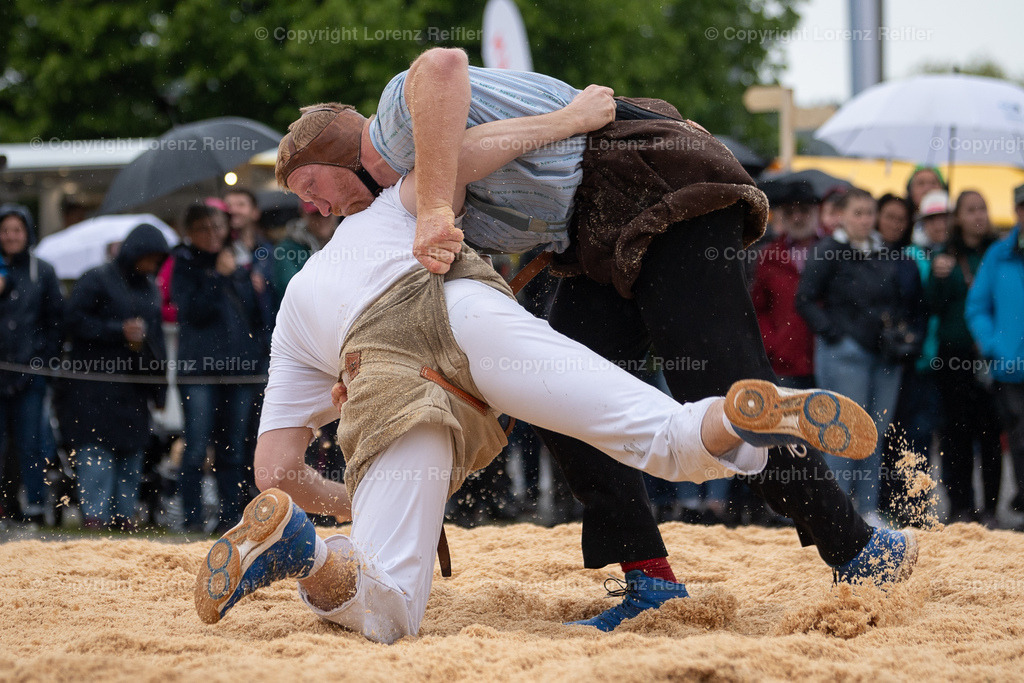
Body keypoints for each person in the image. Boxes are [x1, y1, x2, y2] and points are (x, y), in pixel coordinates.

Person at [272, 51, 916, 630]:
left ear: (338, 150)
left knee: (720, 393)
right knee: (562, 404)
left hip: (658, 186)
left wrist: (561, 125)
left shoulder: (389, 130)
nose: (316, 210)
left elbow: (441, 64)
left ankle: (860, 547)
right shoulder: (401, 195)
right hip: (594, 237)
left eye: (310, 190)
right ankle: (650, 577)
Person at [796, 188, 922, 526]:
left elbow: (897, 298)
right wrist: (835, 335)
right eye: (858, 213)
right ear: (843, 215)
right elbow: (804, 298)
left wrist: (901, 332)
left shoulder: (884, 251)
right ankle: (835, 514)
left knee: (875, 434)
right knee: (843, 434)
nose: (865, 220)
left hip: (884, 354)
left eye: (869, 213)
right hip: (845, 354)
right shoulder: (828, 250)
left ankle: (867, 510)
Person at [59, 223, 169, 530]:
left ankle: (124, 517)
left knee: (131, 455)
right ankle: (95, 518)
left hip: (135, 387)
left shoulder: (150, 288)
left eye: (157, 260)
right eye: (148, 257)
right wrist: (116, 331)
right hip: (93, 385)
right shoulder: (96, 278)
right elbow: (73, 320)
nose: (151, 265)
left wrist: (160, 388)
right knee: (96, 454)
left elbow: (157, 340)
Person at [172, 203, 265, 533]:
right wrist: (216, 277)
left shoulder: (240, 262)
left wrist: (254, 286)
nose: (212, 234)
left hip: (240, 371)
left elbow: (257, 317)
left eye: (217, 227)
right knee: (196, 447)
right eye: (203, 228)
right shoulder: (182, 264)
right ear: (190, 232)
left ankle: (231, 518)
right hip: (199, 372)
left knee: (234, 449)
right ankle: (192, 518)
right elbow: (192, 312)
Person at [929, 190, 1002, 526]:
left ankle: (989, 506)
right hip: (954, 355)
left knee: (990, 434)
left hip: (992, 356)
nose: (979, 215)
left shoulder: (1000, 253)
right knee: (956, 434)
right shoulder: (947, 255)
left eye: (983, 208)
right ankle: (960, 505)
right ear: (957, 217)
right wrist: (938, 276)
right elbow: (932, 306)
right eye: (971, 209)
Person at [0, 203, 63, 526]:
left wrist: (42, 360)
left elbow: (55, 321)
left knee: (31, 442)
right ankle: (5, 506)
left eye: (17, 230)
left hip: (31, 373)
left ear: (27, 233)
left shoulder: (43, 271)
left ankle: (36, 506)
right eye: (5, 230)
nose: (11, 236)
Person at [966, 183, 1024, 518]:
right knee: (1019, 440)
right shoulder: (999, 255)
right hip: (1011, 367)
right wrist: (994, 345)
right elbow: (977, 307)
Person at [751, 179, 821, 390]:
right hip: (785, 363)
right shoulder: (770, 254)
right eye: (790, 211)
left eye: (804, 210)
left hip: (827, 359)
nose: (797, 217)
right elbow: (758, 307)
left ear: (816, 211)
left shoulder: (833, 250)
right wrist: (773, 343)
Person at [271, 201, 340, 294]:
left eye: (328, 213)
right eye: (316, 214)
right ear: (303, 214)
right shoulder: (286, 249)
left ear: (337, 213)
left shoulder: (347, 242)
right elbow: (293, 289)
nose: (322, 218)